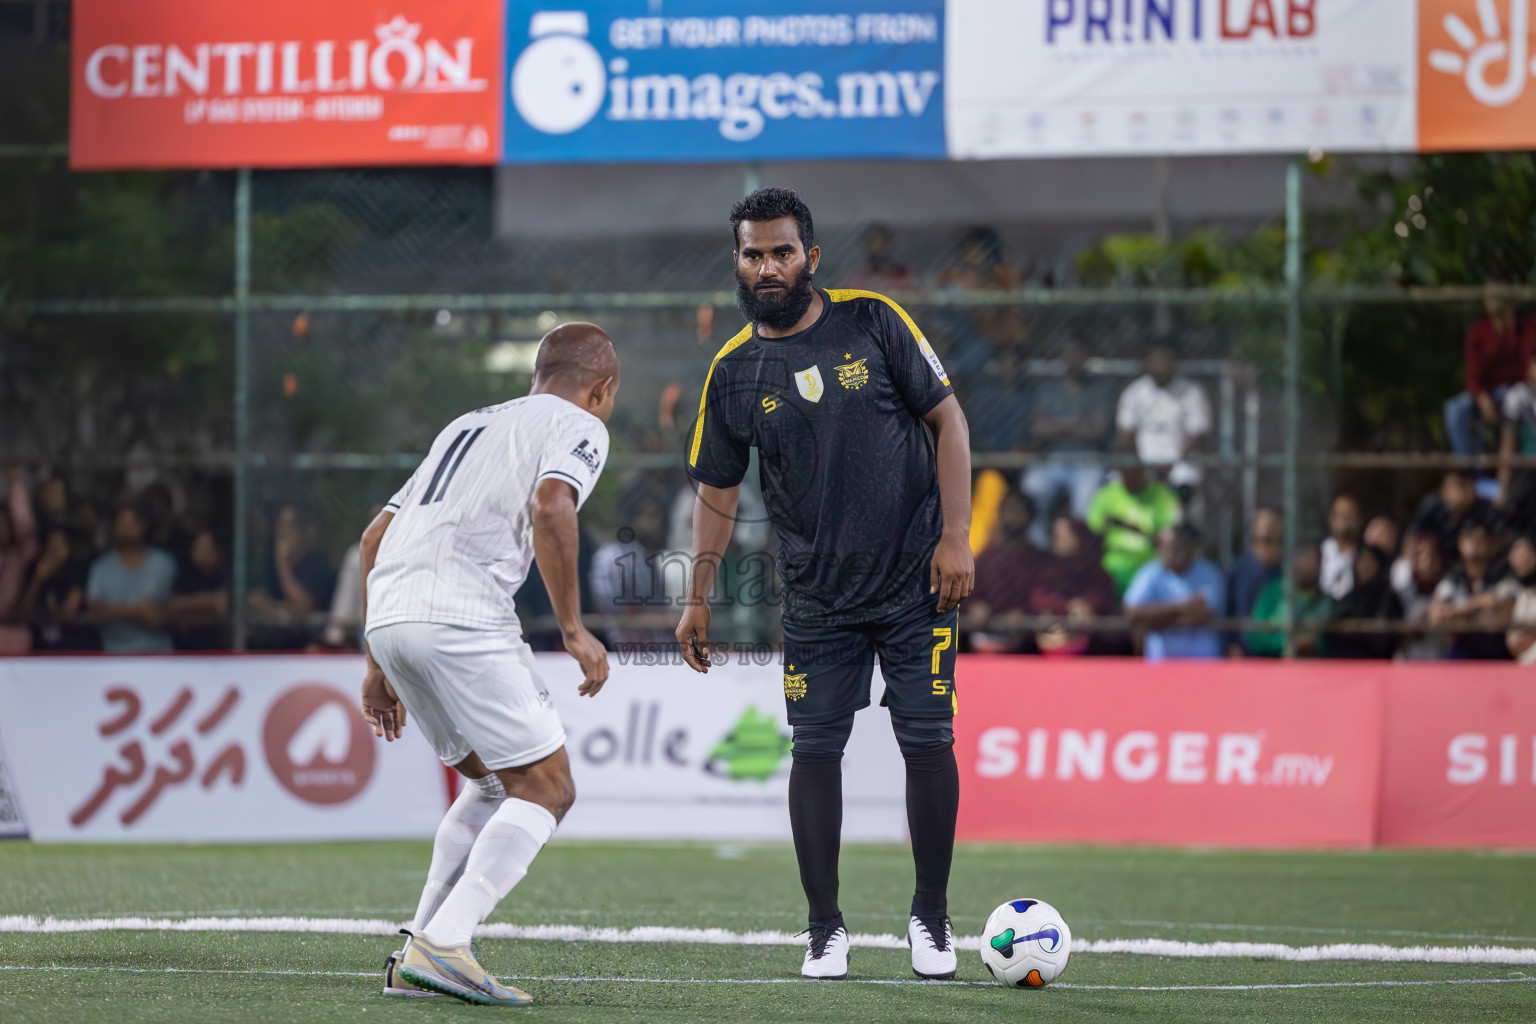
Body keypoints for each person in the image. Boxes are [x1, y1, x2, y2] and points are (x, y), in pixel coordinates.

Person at [675, 188, 974, 982]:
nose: (766, 266)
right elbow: (717, 488)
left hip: (917, 584)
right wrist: (697, 595)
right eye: (751, 253)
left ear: (811, 256)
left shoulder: (875, 321)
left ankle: (932, 922)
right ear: (736, 262)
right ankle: (823, 930)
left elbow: (950, 422)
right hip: (815, 597)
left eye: (780, 251)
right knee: (815, 749)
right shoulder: (733, 371)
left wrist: (955, 537)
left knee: (928, 741)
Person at [362, 323, 620, 1006]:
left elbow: (373, 537)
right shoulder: (579, 424)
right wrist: (573, 628)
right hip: (460, 616)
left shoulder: (466, 425)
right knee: (548, 788)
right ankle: (445, 944)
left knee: (490, 785)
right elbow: (551, 505)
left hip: (389, 613)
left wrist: (374, 665)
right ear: (603, 389)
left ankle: (417, 949)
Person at [1022, 337, 1115, 542]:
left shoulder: (1100, 389)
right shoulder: (1048, 389)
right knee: (1033, 489)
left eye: (1079, 353)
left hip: (1088, 461)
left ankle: (1079, 558)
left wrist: (1056, 425)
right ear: (1061, 357)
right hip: (1051, 459)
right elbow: (1038, 428)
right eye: (1069, 353)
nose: (1073, 358)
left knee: (1085, 509)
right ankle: (1038, 554)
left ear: (1087, 357)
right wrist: (1078, 423)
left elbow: (1097, 430)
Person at [1445, 290, 1536, 458]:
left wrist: (1511, 327)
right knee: (1455, 409)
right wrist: (1482, 398)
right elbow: (1472, 376)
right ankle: (1466, 471)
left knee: (1515, 401)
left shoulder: (1529, 326)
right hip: (1489, 392)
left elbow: (1529, 363)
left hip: (1521, 388)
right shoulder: (1478, 331)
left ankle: (1511, 468)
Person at [1115, 338, 1211, 492]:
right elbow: (1125, 436)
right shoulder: (1134, 392)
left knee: (1186, 476)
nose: (1160, 366)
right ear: (1147, 363)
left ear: (1174, 362)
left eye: (1164, 360)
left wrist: (1171, 466)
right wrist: (1142, 466)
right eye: (1155, 360)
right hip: (1143, 464)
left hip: (1178, 463)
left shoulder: (1191, 393)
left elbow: (1196, 438)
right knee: (1117, 479)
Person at [1123, 524, 1225, 661]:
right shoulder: (1150, 572)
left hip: (1202, 663)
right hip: (1161, 663)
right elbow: (1132, 612)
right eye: (1162, 547)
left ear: (1189, 548)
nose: (1167, 552)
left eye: (1173, 548)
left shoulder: (1209, 573)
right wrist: (1180, 607)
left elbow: (1205, 614)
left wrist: (1155, 619)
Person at [83, 501, 176, 653]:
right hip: (115, 654)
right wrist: (133, 613)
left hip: (159, 653)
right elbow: (93, 610)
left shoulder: (164, 563)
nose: (126, 527)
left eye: (132, 521)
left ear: (144, 525)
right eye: (122, 521)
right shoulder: (100, 567)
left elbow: (170, 608)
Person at [1085, 456, 1182, 595]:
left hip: (1151, 567)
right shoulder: (1106, 495)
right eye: (1127, 472)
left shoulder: (1161, 495)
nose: (1132, 477)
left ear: (1143, 472)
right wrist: (1109, 522)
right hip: (1112, 566)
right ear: (1120, 471)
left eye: (1136, 472)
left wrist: (1129, 527)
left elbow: (1169, 534)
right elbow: (1094, 527)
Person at [963, 491, 1044, 654]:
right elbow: (968, 591)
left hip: (1026, 640)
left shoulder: (1038, 559)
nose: (1011, 516)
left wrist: (1025, 613)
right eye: (1007, 510)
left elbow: (1044, 595)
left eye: (1017, 510)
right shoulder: (988, 557)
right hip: (986, 633)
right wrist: (974, 606)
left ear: (1029, 516)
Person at [248, 503, 337, 648]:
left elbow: (302, 607)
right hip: (274, 640)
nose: (281, 534)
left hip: (310, 643)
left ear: (300, 532)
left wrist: (282, 563)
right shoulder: (269, 562)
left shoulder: (317, 562)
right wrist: (279, 608)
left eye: (287, 527)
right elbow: (256, 599)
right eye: (279, 528)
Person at [1428, 512, 1514, 660]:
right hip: (1461, 659)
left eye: (1480, 537)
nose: (1474, 542)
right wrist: (1479, 607)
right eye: (1468, 536)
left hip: (1497, 659)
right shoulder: (1451, 581)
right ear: (1459, 543)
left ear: (1491, 543)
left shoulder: (1504, 578)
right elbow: (1438, 618)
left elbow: (1500, 615)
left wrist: (1456, 613)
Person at [1029, 516, 1116, 657]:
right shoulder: (1046, 569)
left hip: (1090, 643)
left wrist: (1087, 605)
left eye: (1065, 535)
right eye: (1056, 535)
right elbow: (1038, 597)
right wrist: (1065, 606)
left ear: (1079, 538)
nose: (1059, 540)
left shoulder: (1095, 571)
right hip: (1052, 631)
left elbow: (1102, 595)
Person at [1246, 546, 1334, 658]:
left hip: (1312, 666)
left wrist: (1311, 643)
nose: (1309, 567)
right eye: (1305, 559)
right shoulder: (1273, 593)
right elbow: (1255, 637)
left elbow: (1326, 641)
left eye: (1315, 561)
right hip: (1272, 664)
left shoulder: (1326, 602)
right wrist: (1288, 643)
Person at [1329, 545, 1404, 659]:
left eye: (1370, 562)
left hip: (1378, 665)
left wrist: (1354, 630)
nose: (1364, 567)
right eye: (1361, 561)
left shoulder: (1388, 599)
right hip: (1344, 664)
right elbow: (1334, 630)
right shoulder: (1349, 598)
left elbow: (1382, 639)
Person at [1225, 507, 1283, 654]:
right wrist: (1231, 645)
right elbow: (1227, 612)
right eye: (1260, 540)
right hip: (1243, 655)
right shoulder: (1238, 570)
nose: (1265, 547)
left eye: (1271, 540)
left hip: (1275, 655)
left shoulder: (1286, 573)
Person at [165, 527, 229, 650]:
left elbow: (222, 605)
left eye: (205, 548)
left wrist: (189, 605)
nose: (200, 552)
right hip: (186, 648)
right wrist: (205, 601)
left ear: (217, 551)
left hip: (220, 648)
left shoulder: (225, 574)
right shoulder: (185, 573)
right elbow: (171, 606)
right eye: (197, 546)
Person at [1392, 531, 1451, 660]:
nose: (1427, 563)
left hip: (1441, 663)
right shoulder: (1403, 591)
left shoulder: (1448, 587)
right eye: (1421, 557)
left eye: (1432, 557)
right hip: (1408, 664)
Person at [1411, 470, 1492, 564]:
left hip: (1471, 565)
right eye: (1451, 486)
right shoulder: (1431, 507)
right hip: (1437, 564)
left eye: (1463, 485)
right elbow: (1413, 538)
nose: (1458, 493)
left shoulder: (1483, 509)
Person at [1320, 494, 1363, 600]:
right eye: (1338, 514)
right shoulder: (1318, 554)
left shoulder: (1365, 556)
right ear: (1330, 518)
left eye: (1348, 515)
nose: (1343, 520)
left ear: (1358, 519)